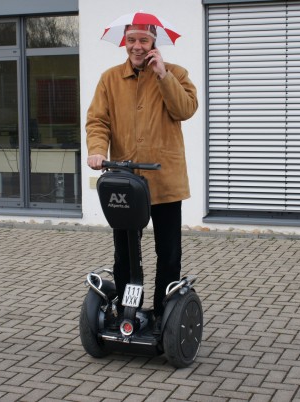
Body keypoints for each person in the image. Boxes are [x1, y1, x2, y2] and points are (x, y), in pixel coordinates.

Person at [86, 23, 198, 330]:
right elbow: (97, 121)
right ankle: (127, 312)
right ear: (125, 41)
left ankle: (165, 316)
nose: (137, 45)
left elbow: (185, 109)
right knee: (124, 255)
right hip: (126, 182)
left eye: (143, 40)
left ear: (153, 42)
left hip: (165, 179)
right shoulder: (110, 78)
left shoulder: (176, 72)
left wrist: (163, 75)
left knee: (169, 253)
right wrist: (97, 150)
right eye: (132, 39)